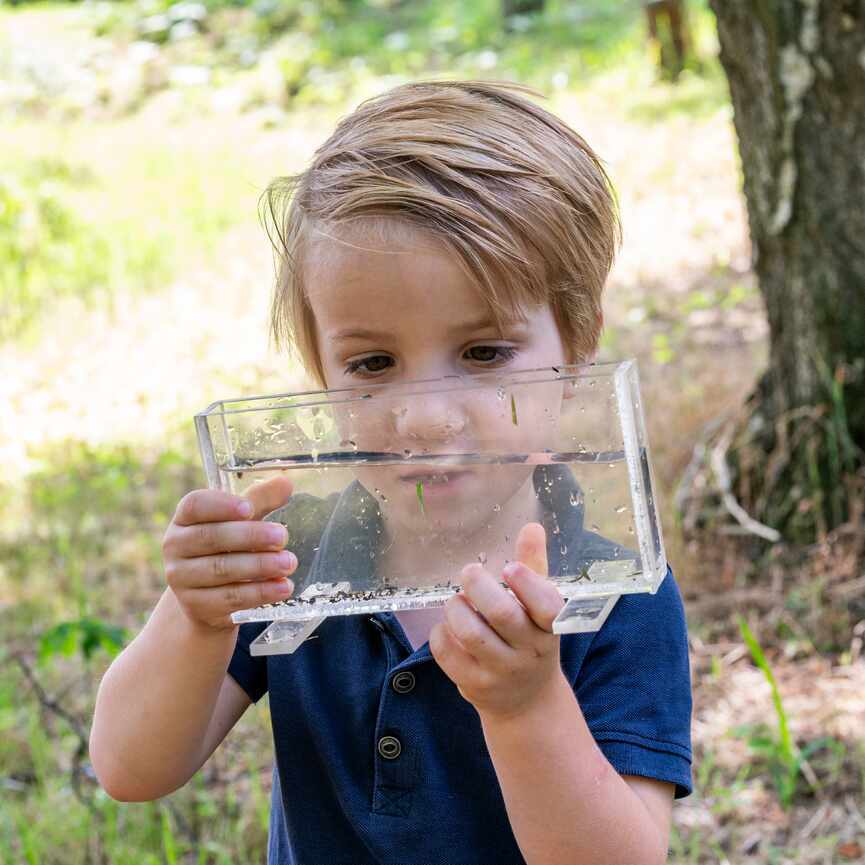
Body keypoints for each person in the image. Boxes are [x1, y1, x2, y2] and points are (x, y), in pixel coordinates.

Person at [90, 80, 692, 865]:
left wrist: (525, 705)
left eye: (483, 353)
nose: (425, 416)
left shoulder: (612, 592)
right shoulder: (291, 557)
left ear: (574, 349)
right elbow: (131, 768)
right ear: (319, 370)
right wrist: (196, 617)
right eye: (373, 362)